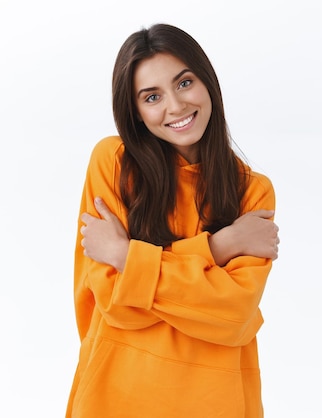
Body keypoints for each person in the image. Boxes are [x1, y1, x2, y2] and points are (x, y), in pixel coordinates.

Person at [66, 23, 279, 418]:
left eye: (184, 83)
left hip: (217, 401)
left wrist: (127, 256)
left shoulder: (253, 192)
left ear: (207, 81)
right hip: (114, 396)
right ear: (136, 112)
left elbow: (232, 314)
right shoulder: (113, 164)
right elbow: (114, 302)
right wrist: (220, 247)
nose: (176, 106)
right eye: (152, 96)